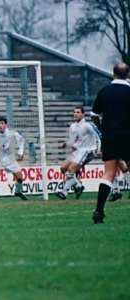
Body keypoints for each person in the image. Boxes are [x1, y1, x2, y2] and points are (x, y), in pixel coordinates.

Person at [91, 62, 130, 224]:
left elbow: (94, 115)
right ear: (127, 75)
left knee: (109, 173)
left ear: (113, 74)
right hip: (128, 135)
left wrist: (103, 129)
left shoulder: (105, 91)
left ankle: (99, 210)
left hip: (110, 137)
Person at [55, 106, 100, 200]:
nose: (75, 114)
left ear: (83, 114)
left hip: (87, 150)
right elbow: (73, 140)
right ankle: (79, 185)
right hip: (77, 150)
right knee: (63, 168)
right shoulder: (72, 126)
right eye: (74, 112)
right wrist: (66, 144)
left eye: (78, 112)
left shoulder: (87, 126)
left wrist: (99, 148)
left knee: (71, 169)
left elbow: (98, 135)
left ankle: (64, 192)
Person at [0, 117, 27, 201]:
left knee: (20, 178)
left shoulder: (12, 134)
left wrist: (20, 152)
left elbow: (21, 140)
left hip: (10, 159)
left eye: (2, 123)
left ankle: (18, 192)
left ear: (5, 125)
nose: (0, 125)